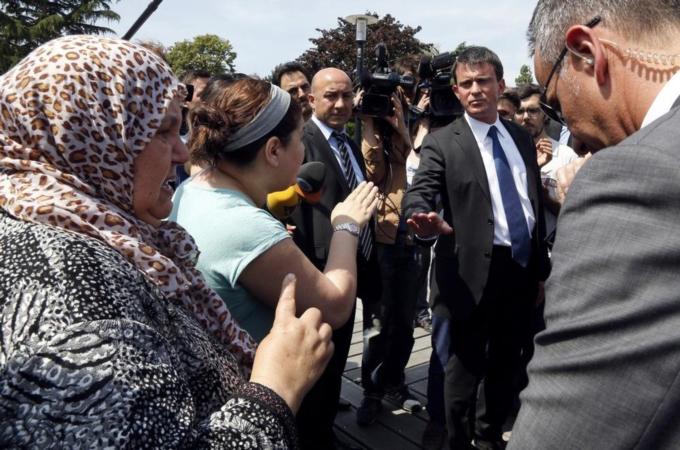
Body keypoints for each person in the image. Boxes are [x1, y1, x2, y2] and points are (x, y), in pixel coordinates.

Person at [0, 35, 334, 448]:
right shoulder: (73, 287)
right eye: (163, 131)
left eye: (182, 129)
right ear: (89, 137)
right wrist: (276, 388)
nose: (182, 154)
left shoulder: (65, 227)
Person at [509, 1, 680, 449]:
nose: (570, 126)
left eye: (554, 102)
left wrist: (586, 215)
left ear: (586, 52)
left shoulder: (631, 176)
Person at [403, 46, 550, 450]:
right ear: (456, 90)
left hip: (519, 269)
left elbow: (532, 206)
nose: (475, 90)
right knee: (463, 371)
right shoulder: (442, 142)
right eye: (466, 83)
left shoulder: (520, 137)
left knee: (507, 362)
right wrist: (420, 216)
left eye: (483, 81)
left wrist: (539, 270)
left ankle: (488, 438)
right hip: (468, 273)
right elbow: (421, 191)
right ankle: (457, 441)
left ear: (500, 84)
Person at [170, 78, 378, 342]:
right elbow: (335, 308)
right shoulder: (245, 226)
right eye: (300, 138)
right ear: (273, 150)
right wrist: (347, 225)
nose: (303, 150)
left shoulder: (191, 188)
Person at [289, 67, 382, 450]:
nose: (341, 104)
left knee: (337, 354)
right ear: (312, 99)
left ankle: (324, 426)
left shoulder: (349, 140)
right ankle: (314, 435)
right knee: (317, 362)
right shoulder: (301, 142)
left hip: (353, 265)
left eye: (346, 95)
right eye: (331, 96)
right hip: (318, 272)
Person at [355, 88, 423, 426]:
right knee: (378, 321)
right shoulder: (370, 133)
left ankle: (395, 380)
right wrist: (369, 119)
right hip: (382, 235)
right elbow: (374, 173)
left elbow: (419, 166)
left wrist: (402, 127)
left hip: (411, 235)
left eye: (394, 100)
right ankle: (372, 390)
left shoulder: (415, 127)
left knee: (405, 319)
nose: (389, 106)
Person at [515, 84, 578, 241]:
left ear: (545, 114)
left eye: (533, 110)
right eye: (520, 111)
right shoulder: (505, 155)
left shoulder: (566, 156)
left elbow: (576, 213)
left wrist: (546, 198)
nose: (526, 117)